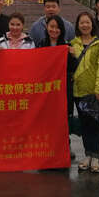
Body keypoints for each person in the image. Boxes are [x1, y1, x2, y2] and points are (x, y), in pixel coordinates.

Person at [70, 11, 99, 173]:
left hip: (95, 93)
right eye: (82, 23)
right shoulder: (73, 43)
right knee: (85, 125)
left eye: (87, 22)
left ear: (92, 25)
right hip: (79, 92)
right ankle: (87, 154)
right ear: (78, 25)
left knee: (96, 125)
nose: (85, 25)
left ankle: (96, 157)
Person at [37, 15, 77, 160]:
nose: (54, 30)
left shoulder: (67, 45)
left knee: (63, 118)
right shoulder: (41, 45)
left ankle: (66, 145)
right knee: (47, 119)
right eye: (51, 27)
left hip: (63, 89)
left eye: (57, 27)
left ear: (61, 29)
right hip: (47, 90)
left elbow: (73, 68)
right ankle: (47, 147)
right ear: (46, 28)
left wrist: (73, 56)